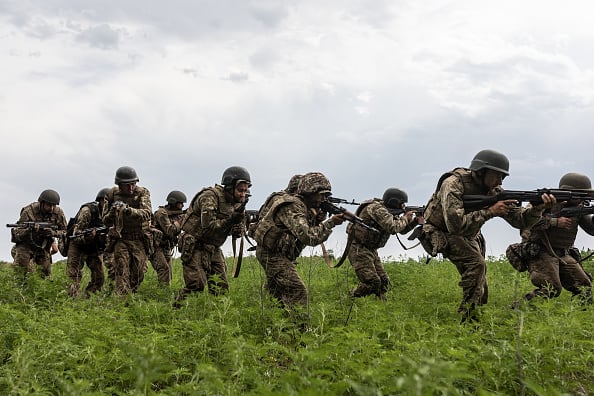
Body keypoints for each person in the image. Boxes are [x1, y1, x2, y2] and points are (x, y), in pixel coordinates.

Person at [420, 149, 555, 322]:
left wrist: (538, 208)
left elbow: (519, 220)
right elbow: (455, 226)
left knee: (480, 281)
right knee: (476, 265)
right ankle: (468, 319)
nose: (500, 181)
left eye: (503, 178)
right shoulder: (453, 183)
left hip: (469, 232)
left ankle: (476, 312)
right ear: (481, 170)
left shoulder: (494, 190)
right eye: (497, 176)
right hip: (442, 231)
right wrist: (490, 211)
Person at [252, 172, 345, 323]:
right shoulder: (292, 205)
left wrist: (317, 218)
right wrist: (331, 222)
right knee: (297, 290)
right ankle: (300, 331)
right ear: (310, 192)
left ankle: (272, 324)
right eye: (321, 194)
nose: (323, 199)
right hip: (272, 254)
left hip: (280, 254)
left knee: (276, 294)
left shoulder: (303, 206)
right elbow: (309, 237)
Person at [175, 166, 251, 303]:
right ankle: (176, 313)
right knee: (196, 285)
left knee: (220, 288)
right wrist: (230, 220)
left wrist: (237, 228)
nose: (243, 194)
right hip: (194, 244)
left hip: (214, 247)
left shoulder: (238, 204)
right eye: (240, 190)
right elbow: (209, 227)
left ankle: (217, 318)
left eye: (245, 191)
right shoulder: (210, 197)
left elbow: (235, 230)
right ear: (229, 187)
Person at [516, 172, 593, 304]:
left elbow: (591, 229)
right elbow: (524, 221)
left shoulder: (579, 208)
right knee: (550, 288)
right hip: (541, 251)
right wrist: (554, 222)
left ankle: (579, 318)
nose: (582, 199)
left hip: (563, 253)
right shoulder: (544, 201)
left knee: (584, 288)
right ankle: (519, 309)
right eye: (580, 195)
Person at [346, 188, 423, 300]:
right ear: (394, 201)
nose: (403, 206)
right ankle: (351, 298)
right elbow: (393, 227)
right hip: (358, 247)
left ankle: (381, 306)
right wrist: (406, 218)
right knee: (373, 281)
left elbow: (401, 230)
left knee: (384, 281)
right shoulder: (377, 209)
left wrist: (415, 221)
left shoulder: (388, 211)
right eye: (401, 203)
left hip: (371, 249)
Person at [102, 166, 153, 295]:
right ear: (119, 185)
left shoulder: (142, 193)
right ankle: (122, 303)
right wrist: (113, 213)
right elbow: (105, 221)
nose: (131, 188)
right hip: (121, 239)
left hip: (139, 239)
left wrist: (128, 210)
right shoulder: (111, 194)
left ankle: (132, 296)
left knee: (138, 273)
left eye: (133, 184)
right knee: (122, 272)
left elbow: (147, 213)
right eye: (127, 185)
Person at [10, 189, 67, 281]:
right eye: (49, 205)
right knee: (20, 272)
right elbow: (18, 232)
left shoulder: (58, 213)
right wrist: (29, 230)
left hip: (43, 246)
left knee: (45, 274)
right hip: (26, 245)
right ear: (42, 203)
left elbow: (65, 232)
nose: (52, 208)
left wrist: (53, 233)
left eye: (54, 205)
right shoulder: (28, 211)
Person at [65, 188, 110, 297]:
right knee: (73, 277)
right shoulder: (87, 211)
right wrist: (88, 237)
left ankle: (88, 299)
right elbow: (75, 235)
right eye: (106, 201)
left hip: (94, 247)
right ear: (101, 200)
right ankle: (70, 302)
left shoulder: (110, 215)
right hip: (78, 245)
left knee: (99, 278)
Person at [150, 190, 186, 285]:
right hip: (156, 247)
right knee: (163, 269)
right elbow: (170, 230)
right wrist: (180, 221)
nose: (182, 205)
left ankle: (166, 294)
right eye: (180, 203)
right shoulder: (161, 213)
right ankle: (162, 295)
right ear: (173, 202)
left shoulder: (177, 214)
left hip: (167, 246)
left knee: (169, 273)